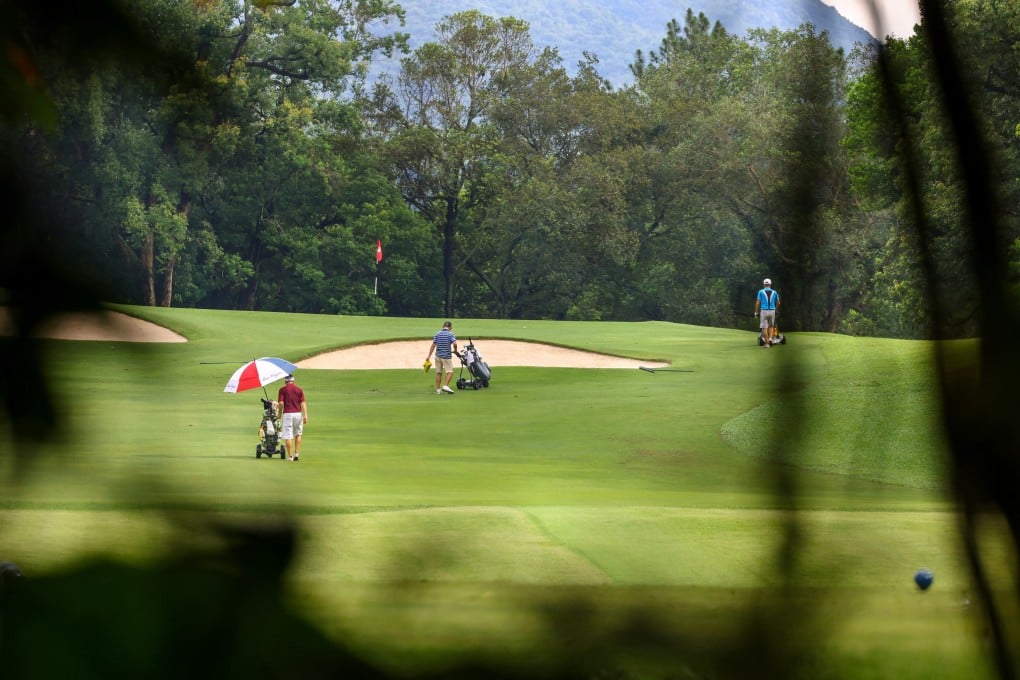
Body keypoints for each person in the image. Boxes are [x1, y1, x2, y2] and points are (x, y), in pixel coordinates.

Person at [276, 374, 308, 460]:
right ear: (293, 381)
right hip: (298, 414)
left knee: (288, 435)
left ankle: (290, 456)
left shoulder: (282, 390)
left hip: (288, 414)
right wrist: (305, 415)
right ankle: (296, 454)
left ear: (285, 381)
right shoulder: (299, 389)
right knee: (298, 434)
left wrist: (279, 414)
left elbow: (281, 403)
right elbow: (303, 403)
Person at [426, 321, 458, 394]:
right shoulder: (450, 334)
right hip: (446, 356)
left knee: (439, 373)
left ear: (443, 326)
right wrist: (455, 351)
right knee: (450, 372)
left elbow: (433, 345)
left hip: (438, 356)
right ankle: (445, 386)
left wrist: (429, 356)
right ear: (450, 327)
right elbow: (455, 343)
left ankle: (438, 390)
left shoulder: (437, 334)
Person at [755, 277, 780, 348]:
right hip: (772, 311)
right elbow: (778, 302)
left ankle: (767, 344)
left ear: (764, 284)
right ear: (770, 284)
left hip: (764, 310)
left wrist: (756, 312)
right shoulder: (774, 292)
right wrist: (776, 310)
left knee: (764, 328)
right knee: (771, 326)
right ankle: (770, 339)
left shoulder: (760, 291)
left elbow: (757, 303)